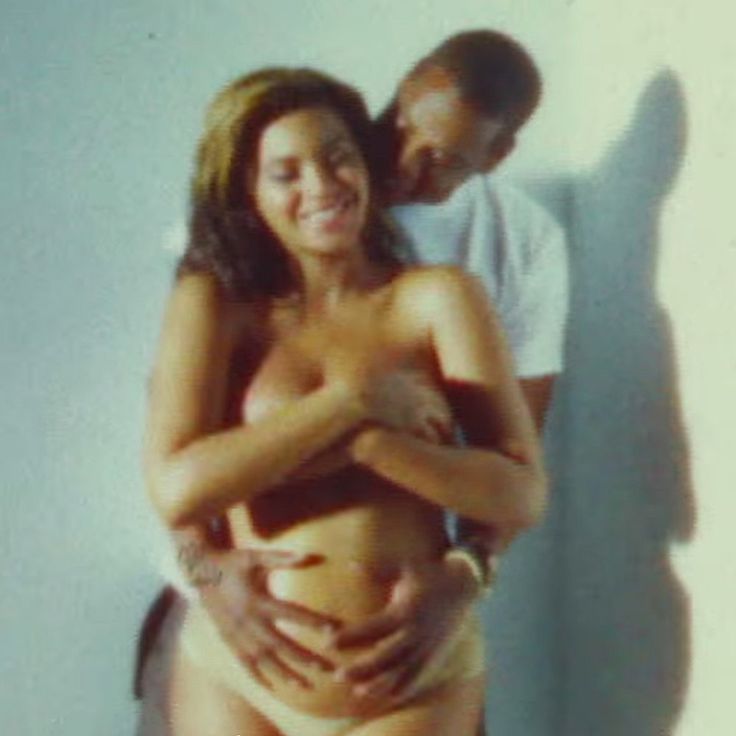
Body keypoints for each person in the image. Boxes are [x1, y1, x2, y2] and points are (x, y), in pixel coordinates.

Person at [135, 30, 568, 734]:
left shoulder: (474, 275)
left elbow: (519, 489)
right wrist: (354, 404)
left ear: (494, 156)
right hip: (231, 663)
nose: (325, 183)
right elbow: (179, 482)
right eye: (397, 125)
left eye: (338, 159)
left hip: (410, 676)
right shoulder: (218, 292)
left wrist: (462, 564)